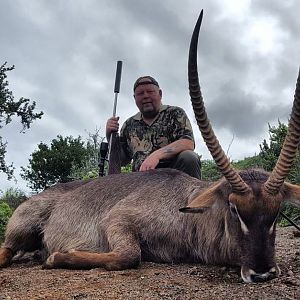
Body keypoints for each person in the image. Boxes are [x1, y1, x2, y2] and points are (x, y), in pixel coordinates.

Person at [106, 75, 202, 179]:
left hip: (173, 177)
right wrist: (109, 135)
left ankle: (193, 194)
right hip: (140, 180)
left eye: (150, 92)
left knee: (189, 157)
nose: (145, 96)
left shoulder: (175, 113)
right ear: (135, 98)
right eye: (140, 93)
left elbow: (187, 143)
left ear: (160, 94)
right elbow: (121, 161)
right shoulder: (128, 124)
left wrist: (156, 155)